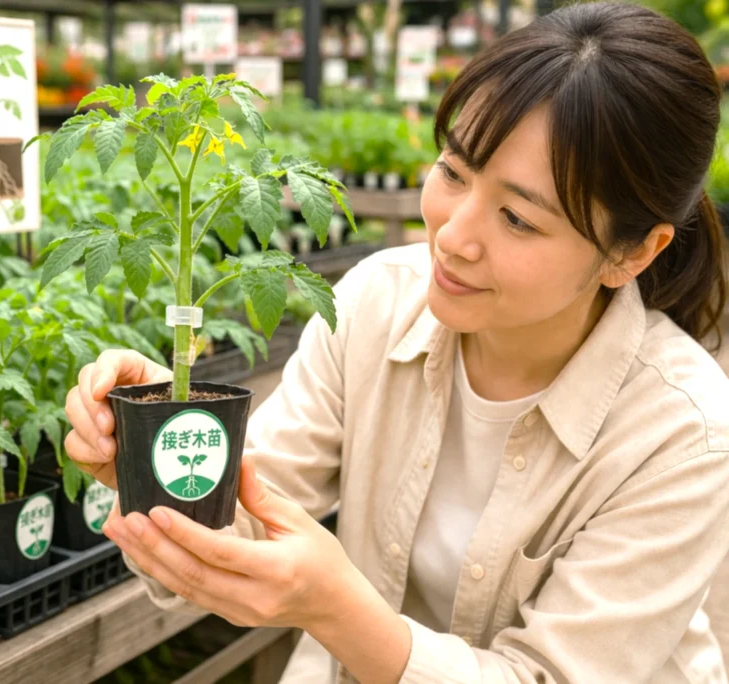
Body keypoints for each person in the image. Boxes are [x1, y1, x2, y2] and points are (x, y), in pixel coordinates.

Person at [64, 3, 729, 682]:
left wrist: (338, 612)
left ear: (633, 252)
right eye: (453, 172)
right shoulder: (375, 302)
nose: (452, 235)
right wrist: (168, 455)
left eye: (517, 218)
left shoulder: (685, 434)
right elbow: (251, 518)